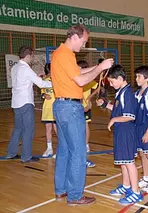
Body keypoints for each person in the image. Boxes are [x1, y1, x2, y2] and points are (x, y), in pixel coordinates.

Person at [51, 24, 114, 206]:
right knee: (78, 153)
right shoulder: (66, 54)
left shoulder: (60, 53)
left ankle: (61, 190)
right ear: (75, 37)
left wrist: (98, 68)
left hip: (61, 106)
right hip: (70, 108)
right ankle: (75, 196)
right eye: (84, 41)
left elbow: (77, 72)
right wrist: (100, 67)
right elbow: (80, 80)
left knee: (64, 150)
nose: (84, 46)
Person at [97, 65, 143, 205]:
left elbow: (130, 116)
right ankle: (126, 186)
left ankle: (136, 192)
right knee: (123, 162)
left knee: (129, 162)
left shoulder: (127, 93)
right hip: (120, 132)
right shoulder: (121, 92)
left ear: (120, 78)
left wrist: (113, 119)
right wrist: (105, 105)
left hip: (127, 132)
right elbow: (118, 110)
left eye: (112, 81)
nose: (110, 85)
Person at [6, 46, 52, 163]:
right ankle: (26, 156)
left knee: (18, 128)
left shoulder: (15, 67)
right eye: (32, 56)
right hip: (25, 102)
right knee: (28, 130)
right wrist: (54, 84)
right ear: (28, 56)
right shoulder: (26, 69)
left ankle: (11, 153)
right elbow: (41, 84)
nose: (32, 59)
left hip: (16, 102)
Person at [77, 60, 98, 168]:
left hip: (85, 105)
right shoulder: (77, 79)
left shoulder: (89, 79)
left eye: (80, 68)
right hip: (76, 105)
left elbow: (98, 87)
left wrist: (89, 98)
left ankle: (85, 144)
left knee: (85, 125)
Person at [41, 63, 57, 157]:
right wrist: (44, 95)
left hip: (56, 108)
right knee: (48, 129)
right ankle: (49, 148)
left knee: (57, 129)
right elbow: (42, 93)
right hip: (47, 108)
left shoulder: (58, 80)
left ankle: (61, 148)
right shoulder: (44, 81)